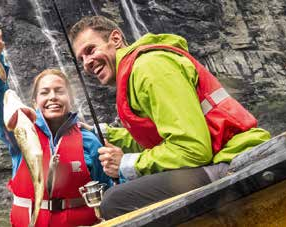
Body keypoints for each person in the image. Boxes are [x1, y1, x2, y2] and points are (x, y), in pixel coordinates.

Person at [69, 16, 271, 219]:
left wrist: (128, 164)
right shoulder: (136, 72)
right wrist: (106, 134)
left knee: (116, 201)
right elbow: (159, 136)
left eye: (91, 50)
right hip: (216, 159)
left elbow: (192, 149)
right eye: (81, 59)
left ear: (115, 39)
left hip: (232, 160)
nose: (87, 63)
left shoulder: (149, 68)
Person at [0, 29, 112, 227]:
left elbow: (109, 187)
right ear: (35, 102)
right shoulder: (20, 132)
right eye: (45, 92)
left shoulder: (89, 140)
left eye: (60, 91)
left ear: (70, 99)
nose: (52, 97)